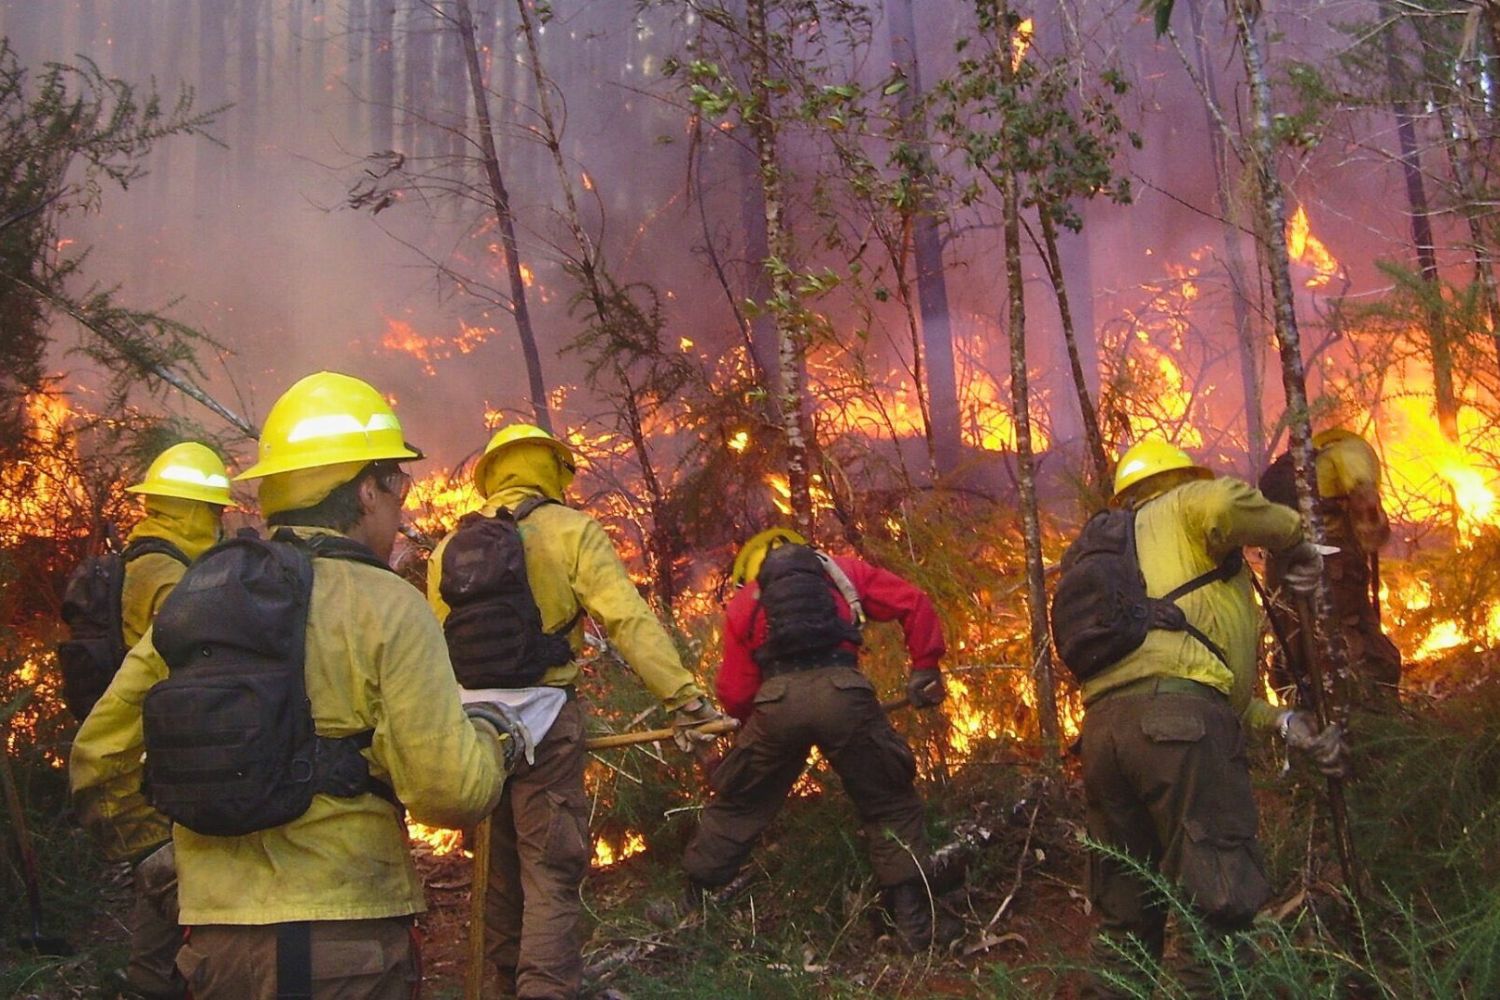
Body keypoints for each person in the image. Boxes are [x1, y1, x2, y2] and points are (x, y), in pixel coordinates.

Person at [71, 372, 517, 1000]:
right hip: (348, 941)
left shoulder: (200, 598)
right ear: (366, 491)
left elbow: (97, 754)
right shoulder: (387, 603)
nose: (402, 506)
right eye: (398, 488)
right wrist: (493, 739)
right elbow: (447, 792)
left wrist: (155, 858)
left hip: (215, 949)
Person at [427, 422, 717, 1000]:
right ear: (552, 470)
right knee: (550, 876)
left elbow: (429, 648)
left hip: (472, 729)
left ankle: (497, 987)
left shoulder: (447, 550)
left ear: (490, 476)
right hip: (545, 726)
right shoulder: (569, 529)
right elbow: (626, 619)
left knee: (497, 878)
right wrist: (685, 698)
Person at [1076, 439, 1348, 998]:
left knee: (1126, 924)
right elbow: (1227, 505)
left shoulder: (1121, 553)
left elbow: (1201, 686)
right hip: (1178, 731)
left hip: (1103, 735)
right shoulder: (1183, 503)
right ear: (1180, 478)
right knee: (1218, 912)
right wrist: (1295, 540)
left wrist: (1281, 722)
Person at [676, 527, 950, 951]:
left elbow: (734, 692)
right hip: (846, 695)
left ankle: (688, 906)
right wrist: (925, 666)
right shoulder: (844, 572)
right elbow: (913, 601)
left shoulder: (747, 601)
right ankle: (913, 924)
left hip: (778, 703)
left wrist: (757, 727)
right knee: (889, 799)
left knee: (739, 802)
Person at [106, 442, 232, 1000]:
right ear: (192, 509)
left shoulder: (156, 555)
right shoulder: (161, 569)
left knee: (171, 870)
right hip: (167, 740)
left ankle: (155, 979)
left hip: (165, 732)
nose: (220, 522)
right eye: (214, 510)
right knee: (174, 876)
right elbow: (193, 648)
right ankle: (167, 983)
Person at [1259, 428, 1402, 710]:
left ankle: (1309, 718)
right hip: (1335, 563)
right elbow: (1370, 515)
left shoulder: (1295, 473)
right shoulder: (1352, 452)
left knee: (1296, 649)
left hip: (1286, 566)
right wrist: (1371, 530)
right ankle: (1370, 722)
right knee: (1359, 646)